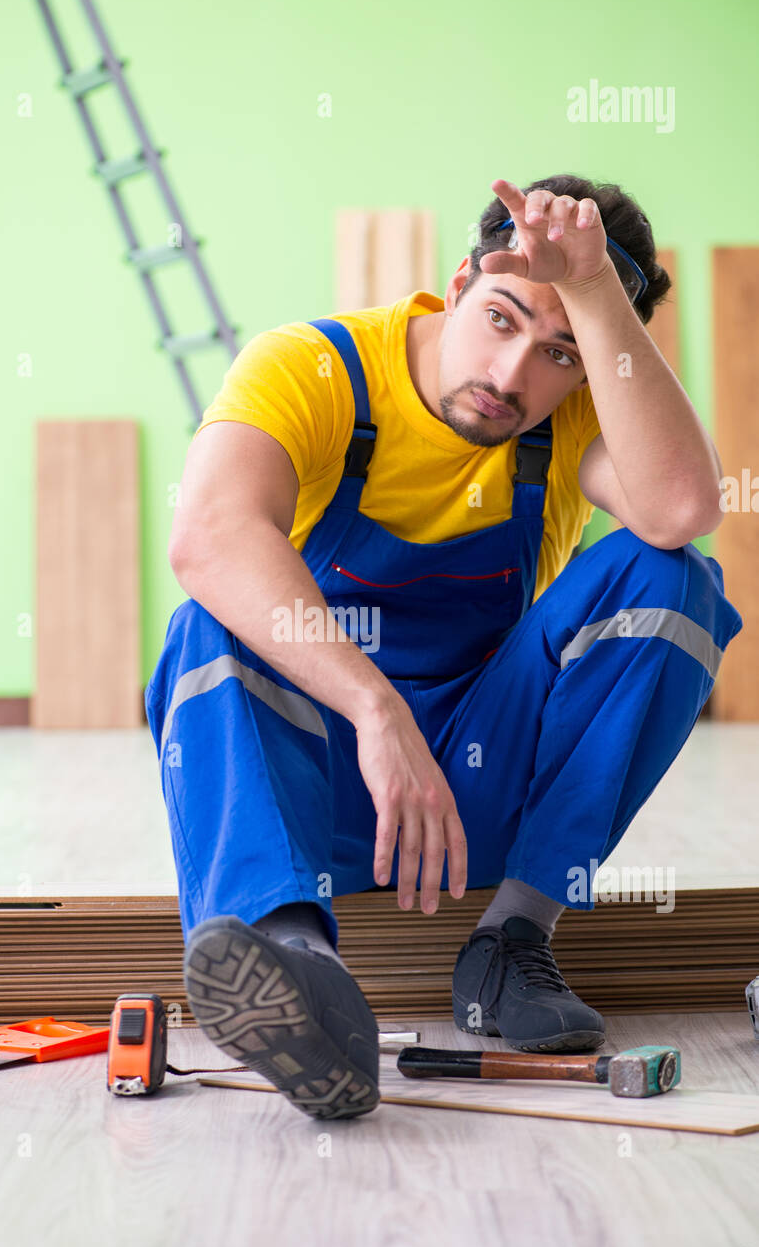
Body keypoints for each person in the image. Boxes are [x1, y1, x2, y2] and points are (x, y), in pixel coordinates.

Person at [145, 173, 742, 1122]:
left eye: (556, 353)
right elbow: (209, 535)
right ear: (458, 280)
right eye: (501, 320)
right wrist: (375, 711)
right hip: (326, 783)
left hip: (470, 799)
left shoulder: (571, 418)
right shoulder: (313, 366)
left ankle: (509, 944)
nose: (512, 380)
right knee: (208, 620)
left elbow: (680, 511)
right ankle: (298, 966)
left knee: (675, 579)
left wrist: (595, 297)